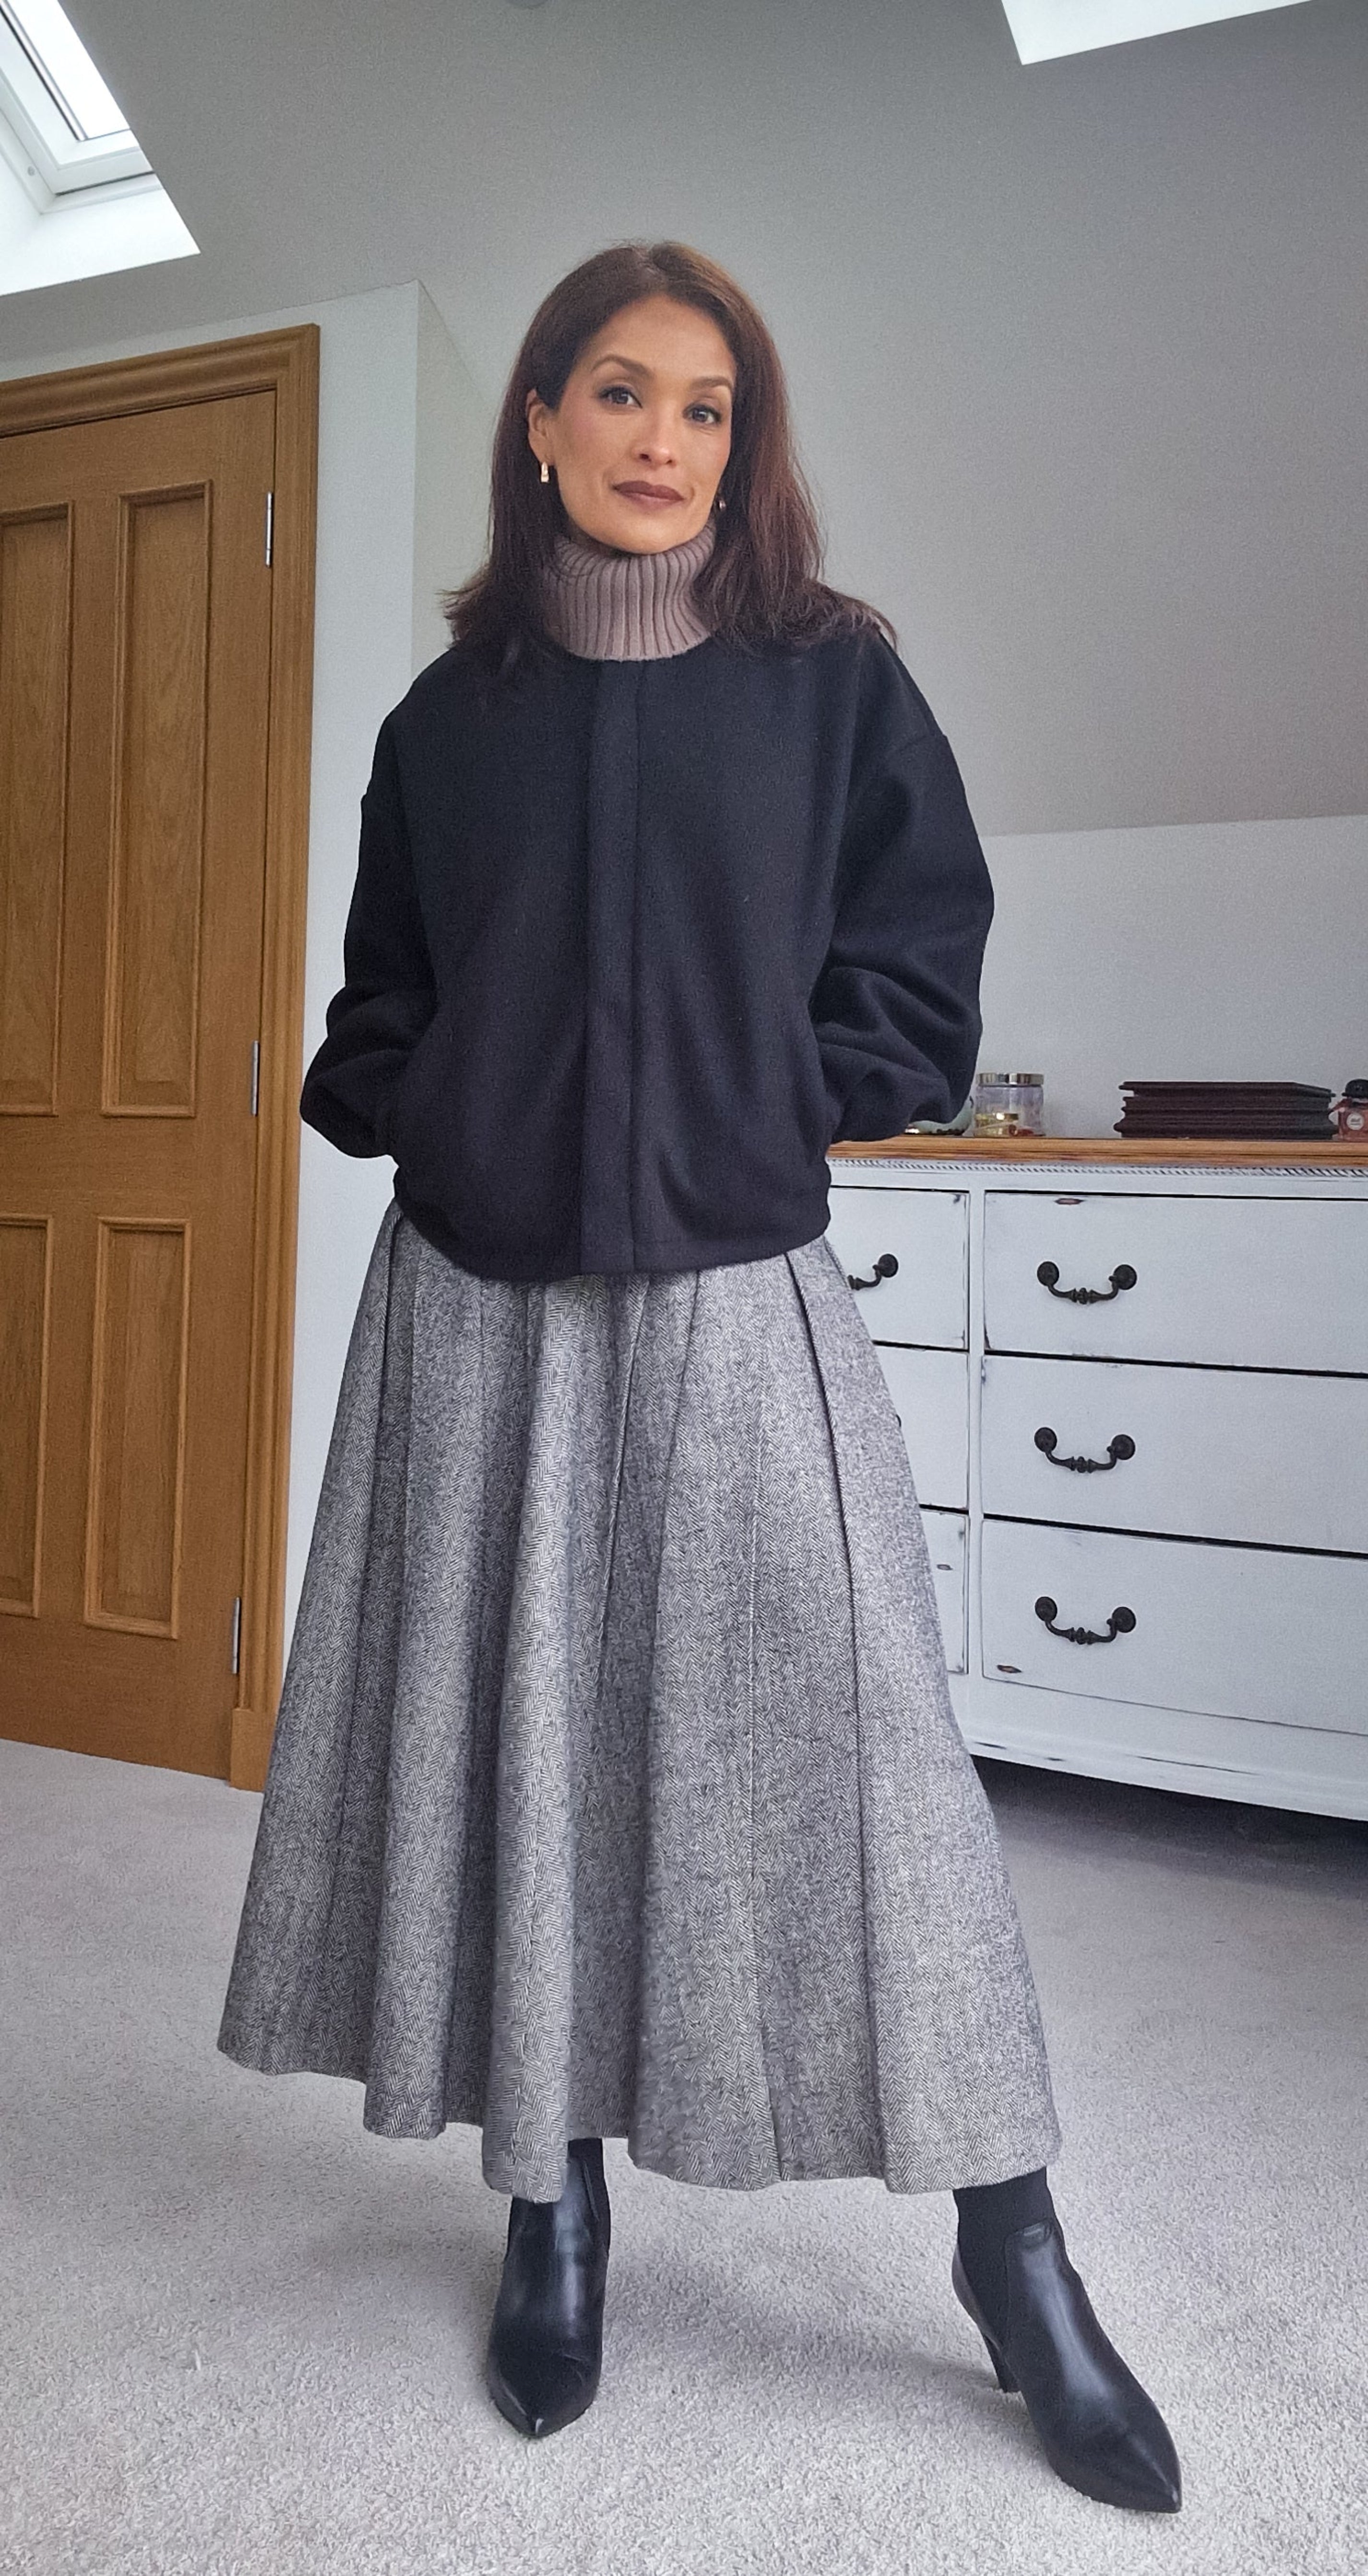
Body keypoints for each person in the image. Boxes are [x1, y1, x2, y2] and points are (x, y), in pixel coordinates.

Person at [217, 239, 1181, 2514]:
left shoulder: (831, 682)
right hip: (472, 1304)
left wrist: (754, 1107)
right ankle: (549, 2204)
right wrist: (442, 1108)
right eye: (620, 392)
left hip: (737, 1295)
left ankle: (1008, 2241)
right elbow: (375, 1009)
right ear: (539, 419)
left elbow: (912, 985)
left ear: (740, 447)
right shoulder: (446, 723)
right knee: (523, 1752)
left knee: (862, 1769)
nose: (665, 439)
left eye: (708, 406)